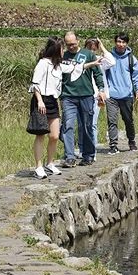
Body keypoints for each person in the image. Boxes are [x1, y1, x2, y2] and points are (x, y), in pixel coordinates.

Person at [28, 37, 99, 179]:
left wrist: (93, 63)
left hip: (53, 101)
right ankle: (39, 166)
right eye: (61, 48)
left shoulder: (58, 65)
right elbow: (35, 84)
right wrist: (40, 101)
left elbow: (76, 68)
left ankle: (50, 163)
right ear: (56, 50)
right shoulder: (43, 63)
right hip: (41, 101)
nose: (64, 51)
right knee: (41, 134)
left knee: (54, 135)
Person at [60, 31, 106, 167]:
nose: (71, 47)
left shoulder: (88, 54)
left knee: (86, 126)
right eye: (68, 45)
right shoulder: (63, 56)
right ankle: (69, 156)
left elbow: (97, 73)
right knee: (68, 126)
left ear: (78, 41)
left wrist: (101, 90)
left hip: (86, 95)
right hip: (68, 96)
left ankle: (88, 154)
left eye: (73, 44)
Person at [104, 32, 138, 154]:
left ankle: (131, 141)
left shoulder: (131, 59)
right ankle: (113, 145)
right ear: (115, 42)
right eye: (119, 42)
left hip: (127, 95)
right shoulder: (109, 57)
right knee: (112, 121)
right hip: (111, 95)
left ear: (127, 44)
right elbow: (102, 73)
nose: (121, 44)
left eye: (123, 42)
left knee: (128, 120)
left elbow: (136, 76)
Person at [84, 37, 115, 158]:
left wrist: (102, 46)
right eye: (89, 49)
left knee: (92, 123)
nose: (91, 52)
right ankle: (85, 148)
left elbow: (112, 62)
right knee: (83, 124)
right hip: (84, 94)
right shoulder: (82, 60)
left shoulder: (99, 60)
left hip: (97, 95)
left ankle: (93, 149)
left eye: (94, 49)